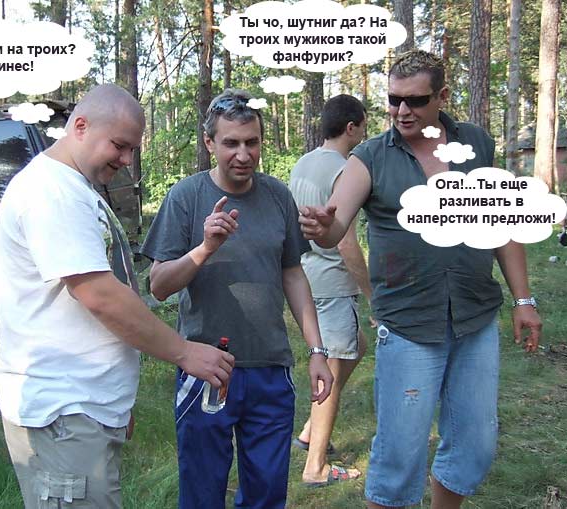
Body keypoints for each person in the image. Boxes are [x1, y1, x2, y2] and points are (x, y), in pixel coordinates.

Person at [298, 50, 542, 508]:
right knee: (399, 455)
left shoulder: (476, 144)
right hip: (409, 325)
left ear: (442, 96)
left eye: (415, 100)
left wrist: (523, 300)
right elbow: (335, 225)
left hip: (474, 318)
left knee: (474, 446)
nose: (402, 111)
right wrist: (322, 227)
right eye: (394, 100)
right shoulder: (370, 157)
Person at [0, 84, 234, 509]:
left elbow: (106, 291)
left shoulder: (74, 189)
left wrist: (113, 401)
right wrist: (183, 352)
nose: (125, 160)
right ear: (80, 127)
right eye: (119, 146)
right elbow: (98, 295)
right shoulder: (52, 192)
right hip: (62, 409)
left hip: (82, 407)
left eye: (131, 149)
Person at [141, 88, 333, 509]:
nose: (243, 155)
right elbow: (159, 286)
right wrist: (205, 248)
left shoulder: (277, 195)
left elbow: (292, 273)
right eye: (231, 143)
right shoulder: (186, 197)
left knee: (267, 494)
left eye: (252, 142)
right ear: (210, 143)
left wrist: (317, 351)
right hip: (206, 368)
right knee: (202, 492)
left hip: (270, 368)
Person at [288, 94, 373, 486]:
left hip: (306, 280)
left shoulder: (305, 162)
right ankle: (316, 467)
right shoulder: (345, 170)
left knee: (357, 346)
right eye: (364, 125)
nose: (365, 133)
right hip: (332, 285)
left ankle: (310, 432)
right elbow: (346, 242)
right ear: (351, 128)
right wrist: (372, 294)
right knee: (331, 377)